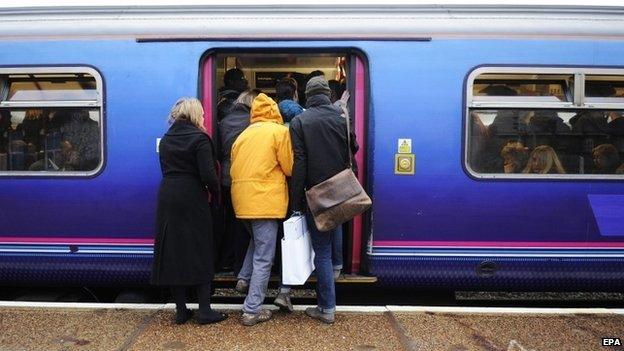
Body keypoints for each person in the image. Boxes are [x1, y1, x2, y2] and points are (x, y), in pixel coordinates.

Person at [151, 97, 227, 325]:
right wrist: (216, 196)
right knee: (199, 248)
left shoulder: (166, 140)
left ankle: (181, 310)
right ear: (195, 114)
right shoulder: (199, 139)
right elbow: (208, 176)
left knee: (174, 250)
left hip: (168, 195)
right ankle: (204, 309)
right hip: (192, 196)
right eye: (202, 113)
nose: (204, 117)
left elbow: (166, 169)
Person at [289, 75, 358, 324]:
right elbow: (354, 148)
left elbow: (300, 163)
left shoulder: (299, 121)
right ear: (328, 94)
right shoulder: (341, 118)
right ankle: (339, 268)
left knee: (322, 252)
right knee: (335, 226)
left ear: (308, 96)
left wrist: (295, 202)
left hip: (316, 193)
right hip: (340, 188)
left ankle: (326, 308)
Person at [230, 93, 293, 326]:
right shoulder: (279, 132)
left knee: (256, 242)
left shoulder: (243, 135)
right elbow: (289, 167)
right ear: (274, 111)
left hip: (242, 201)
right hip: (265, 201)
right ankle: (252, 310)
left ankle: (244, 279)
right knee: (265, 258)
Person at [217, 89, 261, 276]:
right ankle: (242, 266)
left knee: (231, 221)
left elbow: (219, 152)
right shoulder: (253, 123)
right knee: (247, 225)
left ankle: (226, 261)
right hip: (247, 177)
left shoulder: (224, 122)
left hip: (227, 178)